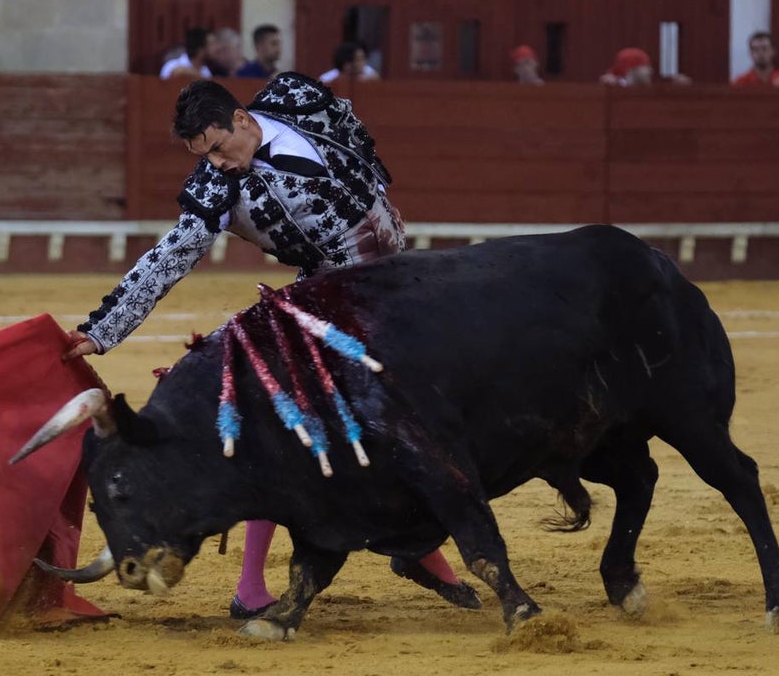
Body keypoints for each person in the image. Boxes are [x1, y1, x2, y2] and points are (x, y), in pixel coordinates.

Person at [62, 74, 479, 619]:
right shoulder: (216, 189)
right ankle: (255, 587)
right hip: (333, 302)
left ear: (240, 118)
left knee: (418, 417)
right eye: (202, 156)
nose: (217, 163)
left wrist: (378, 189)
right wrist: (103, 328)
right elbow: (171, 256)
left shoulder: (296, 99)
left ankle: (417, 550)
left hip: (401, 284)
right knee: (299, 428)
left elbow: (351, 128)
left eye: (218, 147)